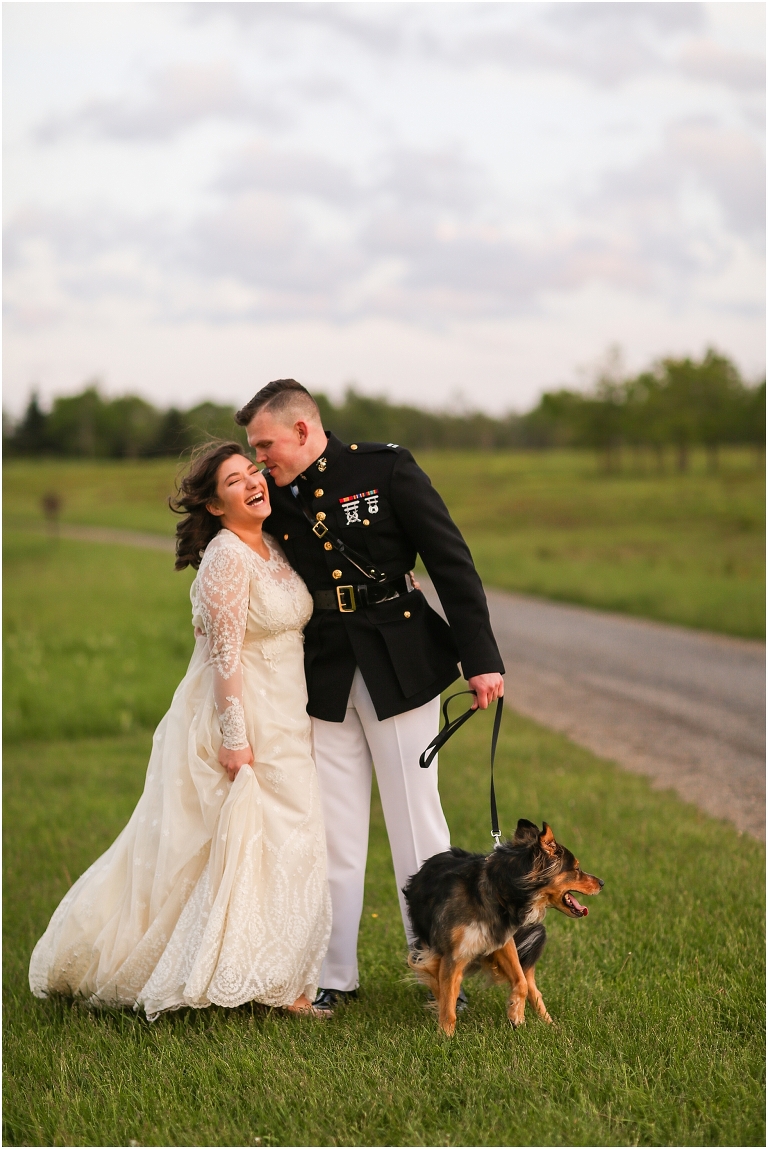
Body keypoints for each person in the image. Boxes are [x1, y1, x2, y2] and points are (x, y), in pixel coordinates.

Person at [29, 442, 332, 1019]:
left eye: (254, 473)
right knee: (233, 845)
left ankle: (281, 978)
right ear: (215, 506)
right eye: (235, 481)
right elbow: (224, 659)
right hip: (245, 720)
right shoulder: (225, 558)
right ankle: (227, 975)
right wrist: (236, 738)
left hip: (290, 715)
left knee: (288, 845)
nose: (253, 483)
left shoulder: (270, 546)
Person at [237, 379, 505, 1014]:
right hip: (324, 668)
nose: (259, 459)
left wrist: (481, 657)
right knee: (331, 829)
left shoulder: (383, 468)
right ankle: (334, 974)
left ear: (301, 431)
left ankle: (440, 969)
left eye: (264, 444)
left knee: (417, 823)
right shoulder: (268, 495)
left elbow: (450, 560)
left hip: (400, 662)